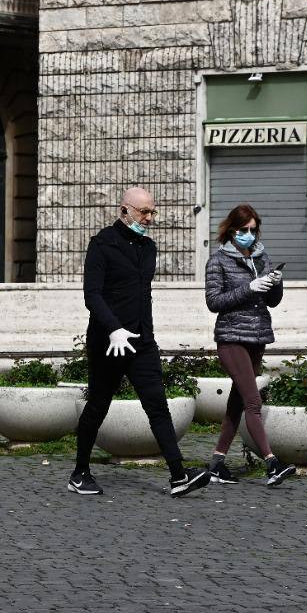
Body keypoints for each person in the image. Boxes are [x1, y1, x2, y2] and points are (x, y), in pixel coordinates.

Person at [68, 187, 211, 497]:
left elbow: (142, 295)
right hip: (109, 341)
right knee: (98, 405)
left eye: (152, 212)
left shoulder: (148, 247)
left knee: (157, 405)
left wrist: (146, 335)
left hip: (142, 341)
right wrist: (114, 329)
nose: (149, 218)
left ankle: (178, 475)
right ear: (125, 210)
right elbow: (92, 295)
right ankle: (80, 472)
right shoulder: (101, 245)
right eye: (144, 212)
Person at [204, 203, 296, 487]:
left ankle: (217, 465)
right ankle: (272, 463)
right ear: (231, 230)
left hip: (257, 336)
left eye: (253, 230)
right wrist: (248, 288)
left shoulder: (261, 257)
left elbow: (272, 301)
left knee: (237, 404)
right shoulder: (218, 261)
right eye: (243, 230)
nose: (249, 235)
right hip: (231, 338)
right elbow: (213, 302)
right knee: (253, 401)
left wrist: (275, 283)